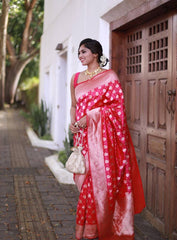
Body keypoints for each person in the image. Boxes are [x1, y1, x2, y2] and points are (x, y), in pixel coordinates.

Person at [69, 38, 145, 240]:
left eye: (84, 52)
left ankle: (97, 228)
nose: (80, 56)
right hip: (83, 138)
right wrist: (73, 123)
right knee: (85, 183)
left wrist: (91, 117)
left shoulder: (109, 77)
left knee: (100, 184)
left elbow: (117, 109)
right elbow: (74, 106)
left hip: (103, 141)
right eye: (79, 52)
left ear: (95, 54)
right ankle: (90, 228)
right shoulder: (75, 78)